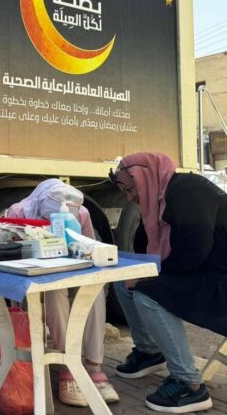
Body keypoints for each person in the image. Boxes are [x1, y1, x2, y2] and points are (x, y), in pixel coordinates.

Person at [110, 152, 227, 413]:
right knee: (123, 281)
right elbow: (143, 247)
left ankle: (189, 384)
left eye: (130, 189)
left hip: (220, 279)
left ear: (145, 177)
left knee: (148, 294)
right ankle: (149, 351)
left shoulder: (187, 190)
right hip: (206, 272)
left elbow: (194, 249)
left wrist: (155, 274)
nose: (130, 197)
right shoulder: (160, 200)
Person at [6, 179, 120, 406]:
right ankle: (69, 363)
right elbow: (8, 247)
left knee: (94, 290)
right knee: (54, 291)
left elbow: (90, 247)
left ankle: (94, 366)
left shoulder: (82, 213)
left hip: (72, 269)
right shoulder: (20, 211)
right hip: (39, 275)